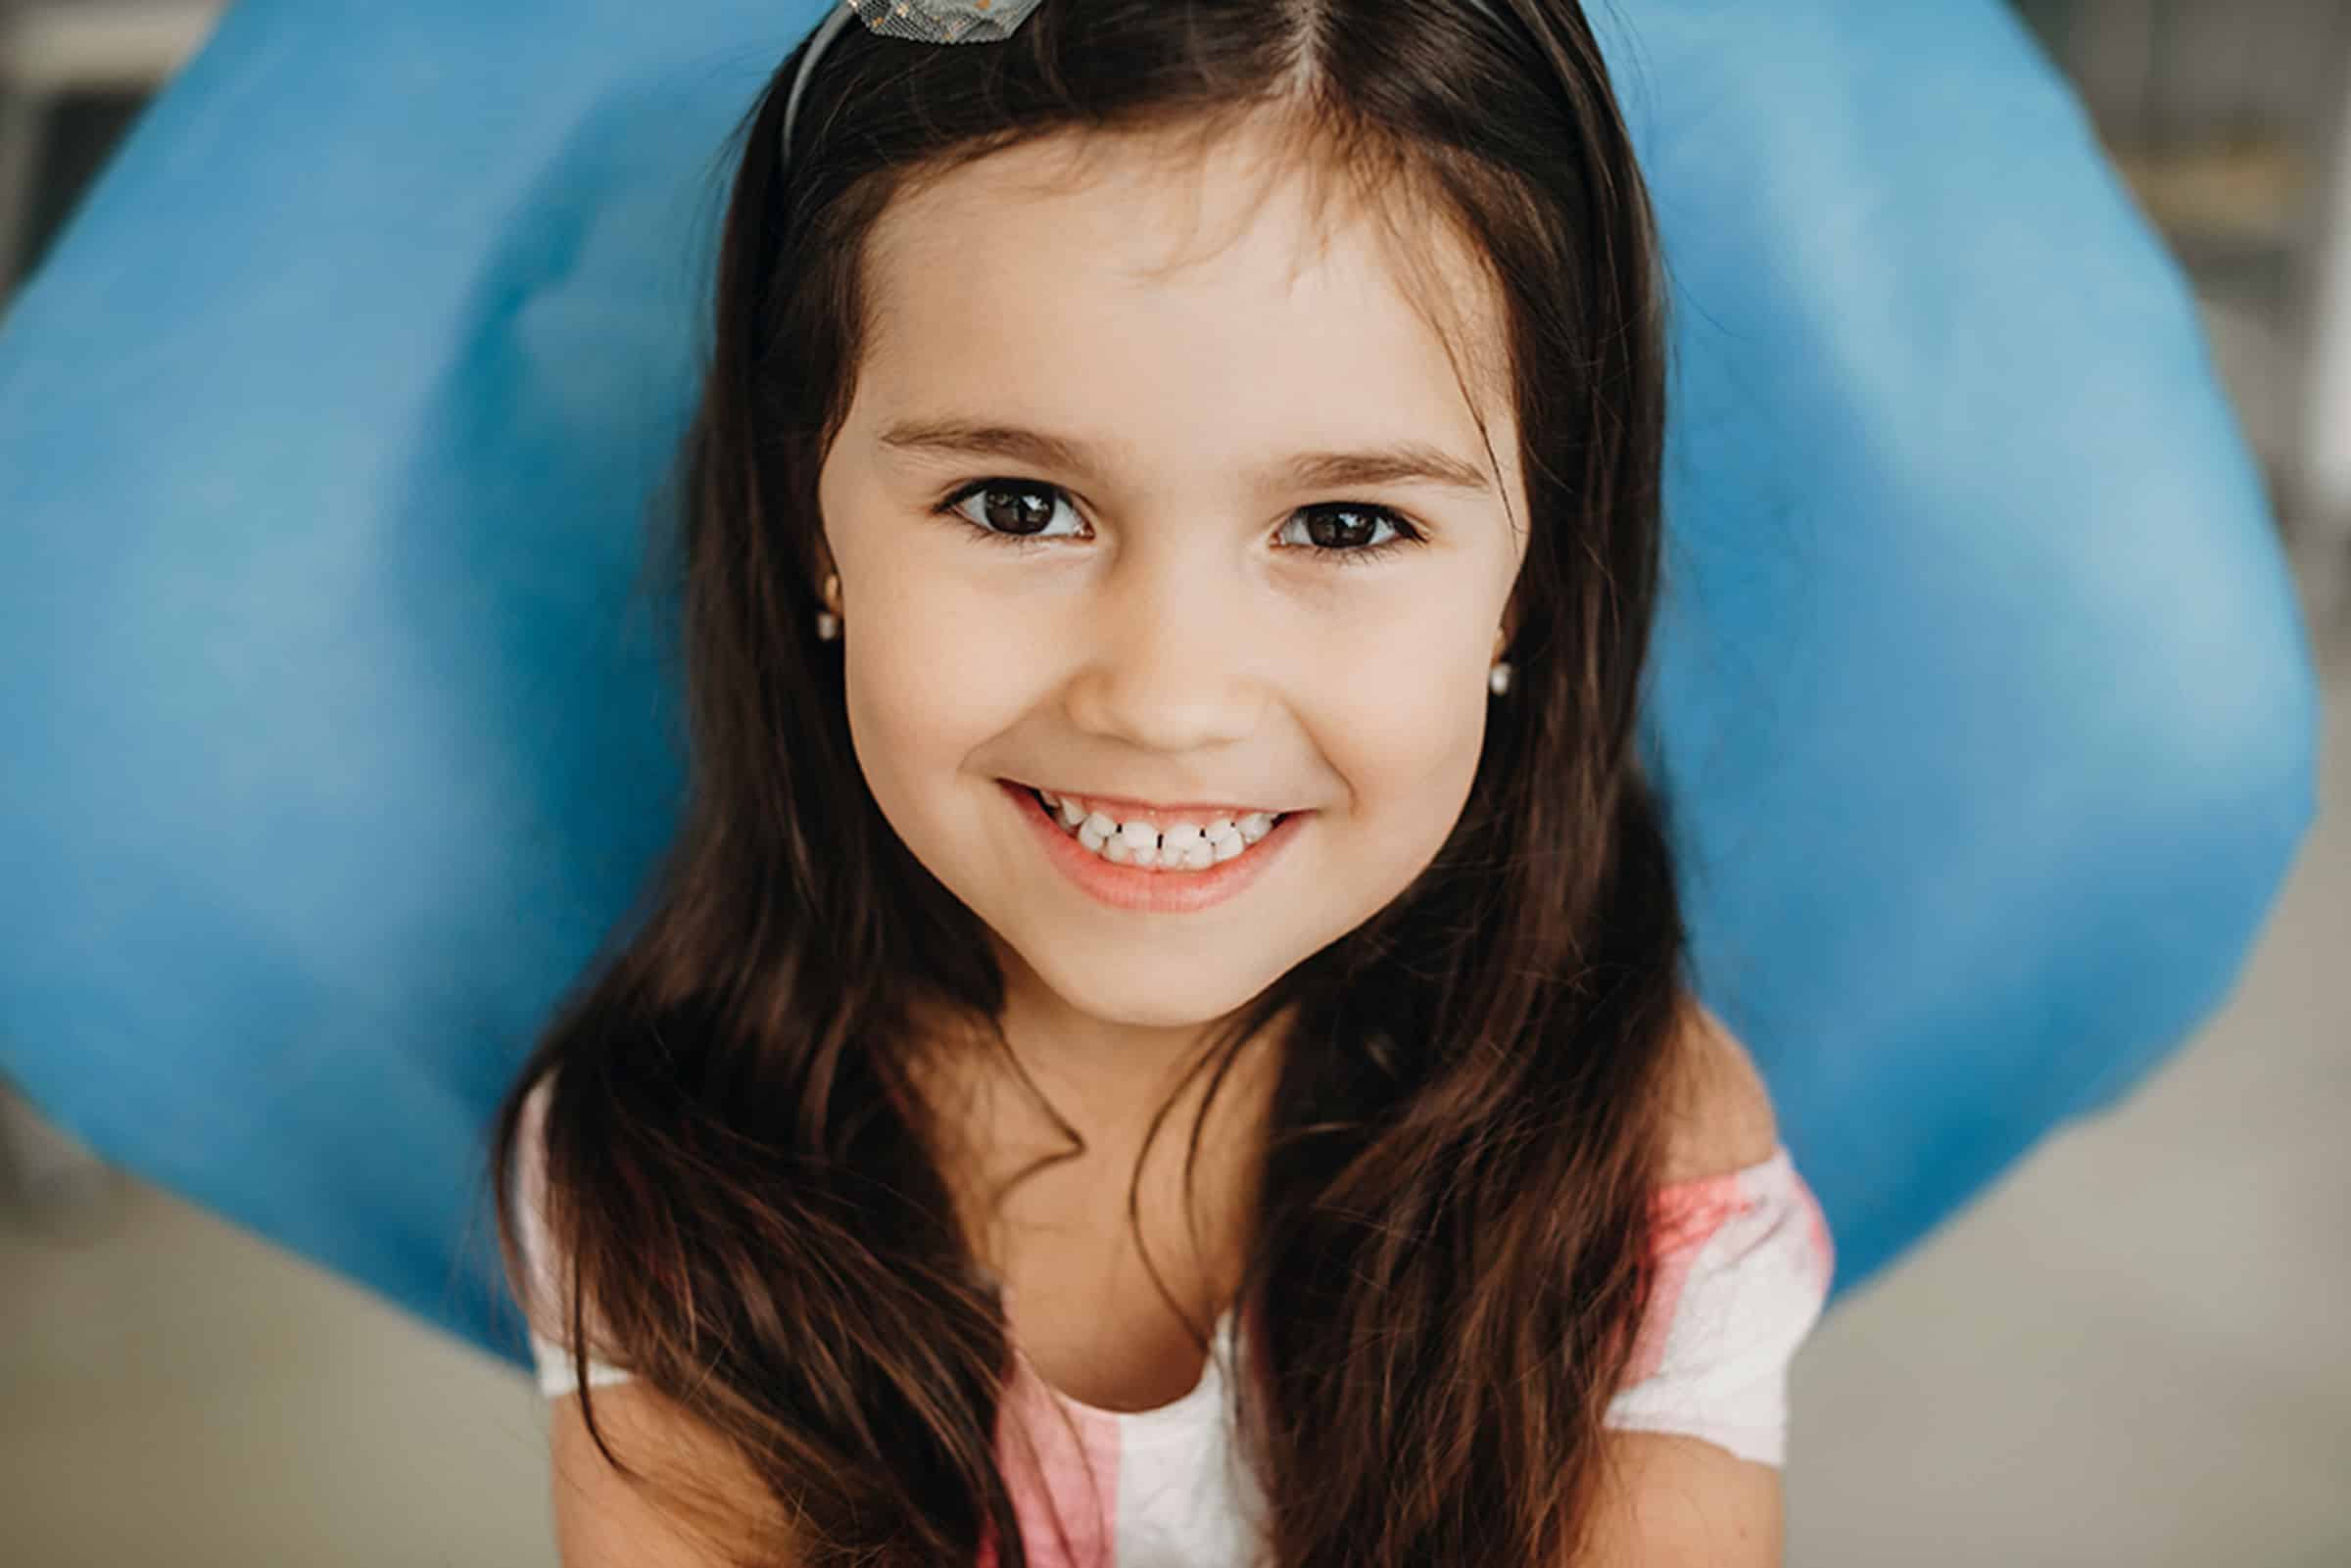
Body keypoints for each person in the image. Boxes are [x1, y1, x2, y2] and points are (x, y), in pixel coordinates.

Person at [489, 1, 1835, 1562]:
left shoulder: (1632, 1166)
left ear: (1528, 578)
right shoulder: (664, 1168)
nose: (1167, 699)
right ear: (812, 526)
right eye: (1016, 502)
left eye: (1343, 526)